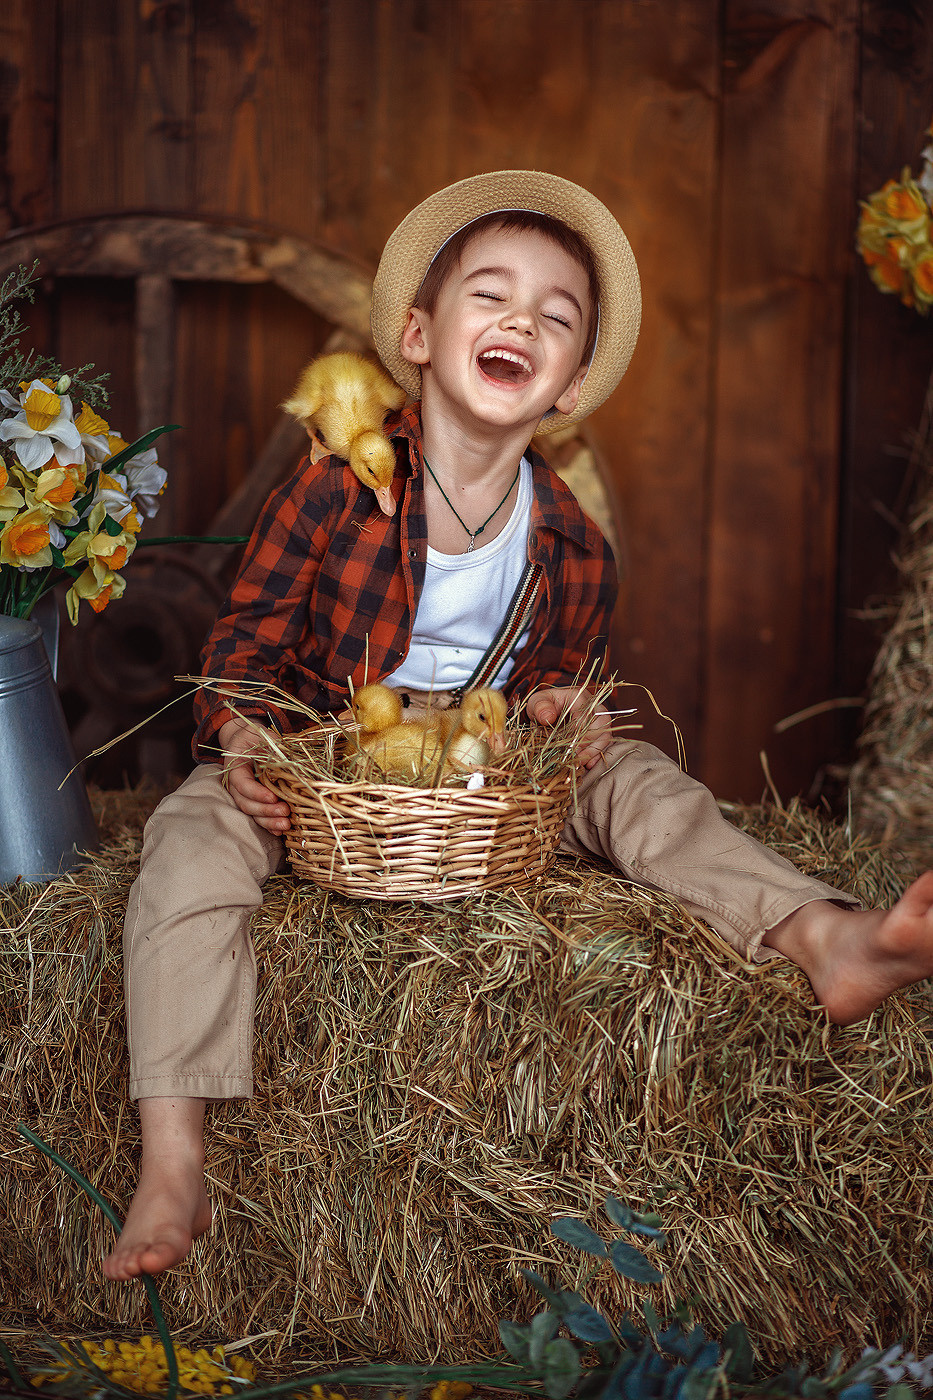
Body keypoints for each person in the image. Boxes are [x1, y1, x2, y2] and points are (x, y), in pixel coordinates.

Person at [103, 170, 933, 1284]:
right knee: (188, 847)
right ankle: (175, 1161)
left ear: (572, 379)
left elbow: (560, 685)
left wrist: (565, 718)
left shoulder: (576, 542)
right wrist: (248, 741)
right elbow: (243, 647)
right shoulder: (328, 493)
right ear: (419, 334)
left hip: (484, 774)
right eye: (490, 295)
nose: (520, 321)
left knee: (645, 786)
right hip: (326, 760)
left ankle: (826, 937)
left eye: (556, 314)